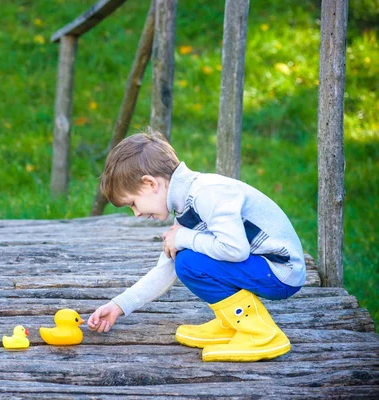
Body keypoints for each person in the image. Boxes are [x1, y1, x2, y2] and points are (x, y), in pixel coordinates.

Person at [87, 129, 305, 362]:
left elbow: (235, 249)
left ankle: (261, 333)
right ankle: (232, 324)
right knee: (185, 260)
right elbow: (164, 271)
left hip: (281, 270)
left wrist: (183, 238)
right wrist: (118, 306)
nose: (137, 213)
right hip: (262, 266)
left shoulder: (207, 194)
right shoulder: (185, 209)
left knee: (190, 262)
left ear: (150, 183)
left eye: (133, 203)